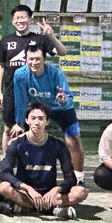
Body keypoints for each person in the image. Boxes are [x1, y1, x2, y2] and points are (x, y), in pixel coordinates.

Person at [0, 4, 66, 154]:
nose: (20, 21)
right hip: (11, 92)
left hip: (35, 92)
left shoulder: (40, 39)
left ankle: (32, 160)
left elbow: (62, 52)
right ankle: (7, 161)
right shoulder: (6, 41)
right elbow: (1, 67)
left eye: (23, 17)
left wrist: (51, 36)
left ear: (30, 19)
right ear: (13, 21)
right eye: (17, 18)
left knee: (34, 128)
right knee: (9, 128)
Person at [0, 101, 88, 219]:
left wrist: (56, 190)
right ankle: (48, 208)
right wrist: (28, 189)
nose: (37, 122)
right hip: (27, 193)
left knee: (81, 192)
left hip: (50, 195)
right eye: (33, 118)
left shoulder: (58, 145)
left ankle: (32, 206)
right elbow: (4, 173)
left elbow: (70, 178)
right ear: (27, 120)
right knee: (3, 187)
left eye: (41, 118)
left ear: (47, 121)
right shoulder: (16, 143)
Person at [12, 43, 85, 181]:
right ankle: (17, 176)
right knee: (19, 136)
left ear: (44, 59)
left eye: (38, 59)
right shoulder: (20, 74)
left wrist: (63, 100)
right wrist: (19, 123)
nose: (34, 62)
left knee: (73, 140)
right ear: (26, 59)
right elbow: (21, 100)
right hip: (39, 109)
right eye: (31, 59)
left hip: (61, 108)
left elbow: (69, 99)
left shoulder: (56, 73)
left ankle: (79, 178)